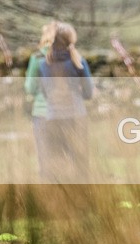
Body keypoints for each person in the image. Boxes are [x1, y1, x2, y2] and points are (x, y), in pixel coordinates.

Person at [27, 22, 94, 183]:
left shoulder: (44, 64)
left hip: (52, 117)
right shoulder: (79, 62)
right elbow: (89, 92)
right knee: (80, 163)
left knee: (55, 164)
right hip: (76, 117)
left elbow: (43, 91)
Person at [24, 21, 56, 180]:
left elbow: (30, 87)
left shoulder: (37, 58)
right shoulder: (71, 57)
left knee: (44, 155)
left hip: (42, 111)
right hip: (66, 112)